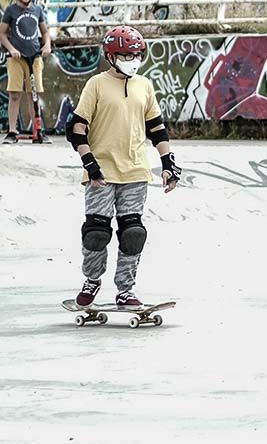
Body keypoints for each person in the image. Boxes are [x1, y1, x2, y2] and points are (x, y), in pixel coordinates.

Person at [66, 25, 181, 308]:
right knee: (96, 233)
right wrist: (89, 162)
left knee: (133, 233)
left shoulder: (144, 85)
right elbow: (77, 128)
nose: (134, 60)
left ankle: (125, 290)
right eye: (127, 55)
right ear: (111, 56)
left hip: (136, 171)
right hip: (100, 173)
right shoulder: (96, 84)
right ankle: (92, 280)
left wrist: (168, 162)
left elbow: (157, 128)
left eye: (137, 55)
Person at [0, 0, 51, 143]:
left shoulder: (37, 10)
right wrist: (12, 49)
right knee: (14, 94)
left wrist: (47, 45)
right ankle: (12, 131)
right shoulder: (11, 11)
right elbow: (1, 33)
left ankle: (38, 130)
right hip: (16, 59)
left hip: (34, 57)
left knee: (33, 95)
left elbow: (45, 32)